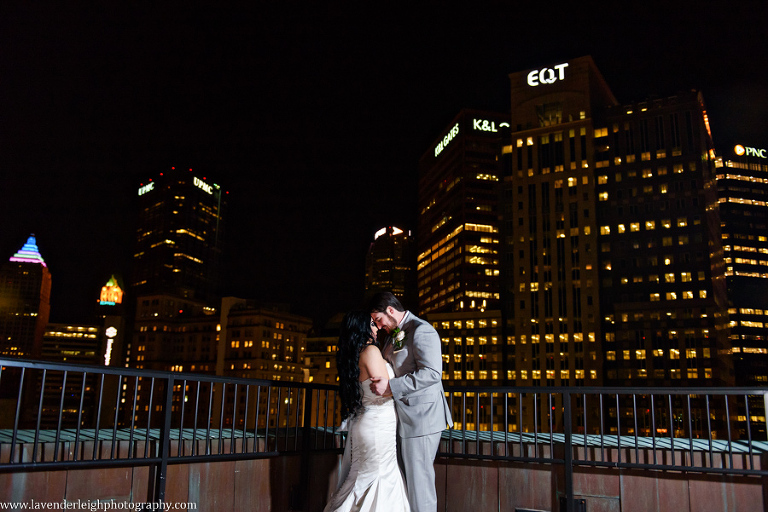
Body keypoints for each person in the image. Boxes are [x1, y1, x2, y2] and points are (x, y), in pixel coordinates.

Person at [368, 292, 453, 512]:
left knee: (420, 487)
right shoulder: (395, 333)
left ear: (390, 310)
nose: (379, 326)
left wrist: (390, 387)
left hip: (422, 420)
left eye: (378, 320)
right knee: (408, 485)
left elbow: (433, 373)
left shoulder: (421, 330)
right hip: (403, 419)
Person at [323, 311, 410, 512]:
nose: (377, 327)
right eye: (372, 324)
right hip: (378, 425)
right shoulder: (370, 351)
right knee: (378, 475)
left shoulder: (354, 354)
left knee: (361, 477)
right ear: (361, 328)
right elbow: (385, 391)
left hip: (366, 422)